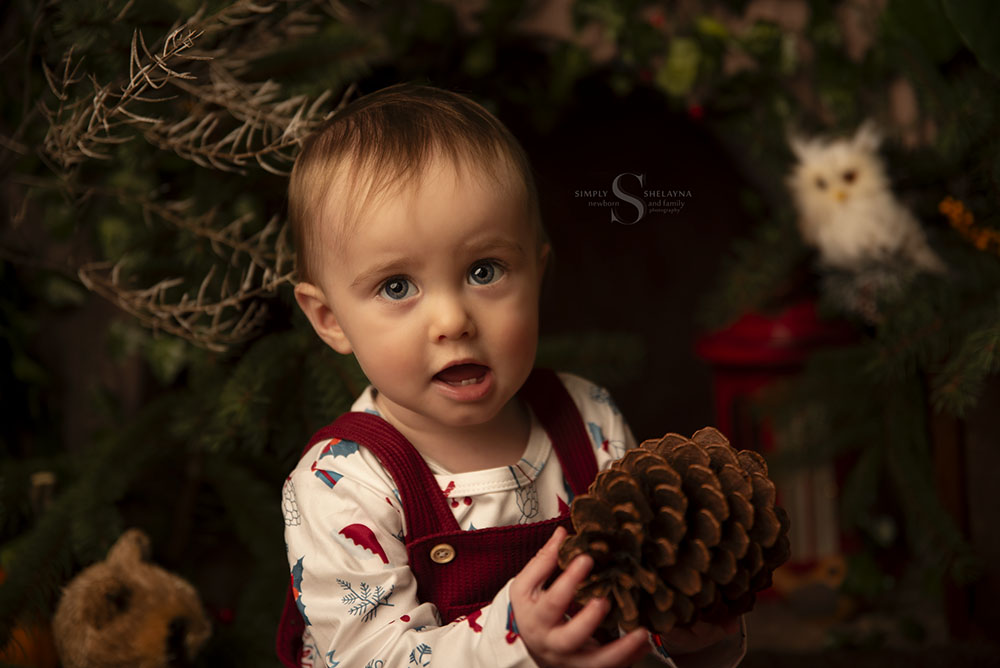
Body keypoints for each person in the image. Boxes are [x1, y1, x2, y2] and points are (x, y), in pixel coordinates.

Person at [277, 83, 745, 668]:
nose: (452, 320)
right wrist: (516, 638)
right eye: (397, 286)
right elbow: (375, 656)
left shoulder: (588, 418)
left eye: (484, 270)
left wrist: (673, 634)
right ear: (329, 319)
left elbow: (633, 592)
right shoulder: (341, 485)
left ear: (537, 272)